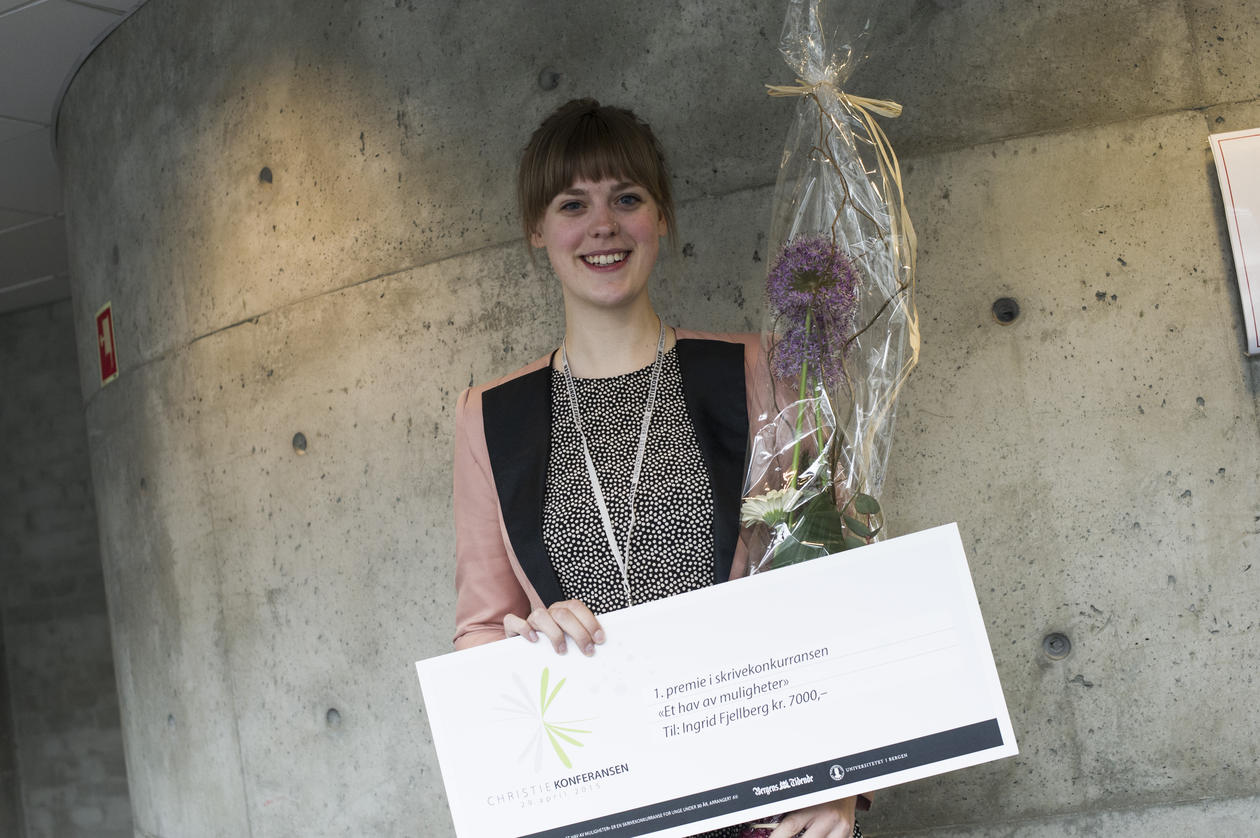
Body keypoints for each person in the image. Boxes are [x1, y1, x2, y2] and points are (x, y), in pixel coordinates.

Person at [452, 98, 865, 838]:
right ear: (537, 231)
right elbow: (481, 628)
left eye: (627, 198)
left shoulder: (758, 372)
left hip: (767, 812)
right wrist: (532, 642)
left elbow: (833, 585)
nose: (602, 224)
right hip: (603, 810)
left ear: (662, 216)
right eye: (572, 203)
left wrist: (841, 783)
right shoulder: (490, 415)